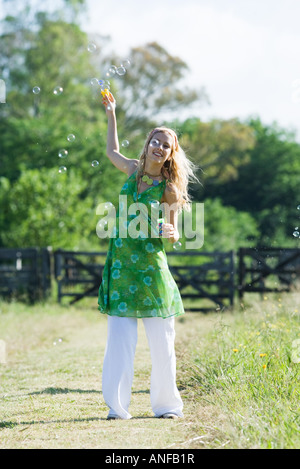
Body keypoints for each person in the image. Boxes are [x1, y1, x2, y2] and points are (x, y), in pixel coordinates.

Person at [98, 90, 198, 420]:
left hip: (151, 269)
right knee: (119, 343)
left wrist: (171, 231)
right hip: (122, 268)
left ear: (171, 154)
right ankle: (117, 407)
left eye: (165, 144)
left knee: (161, 342)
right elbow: (111, 149)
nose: (158, 147)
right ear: (147, 145)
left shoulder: (168, 188)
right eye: (155, 141)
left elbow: (174, 231)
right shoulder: (131, 170)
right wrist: (112, 112)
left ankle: (167, 407)